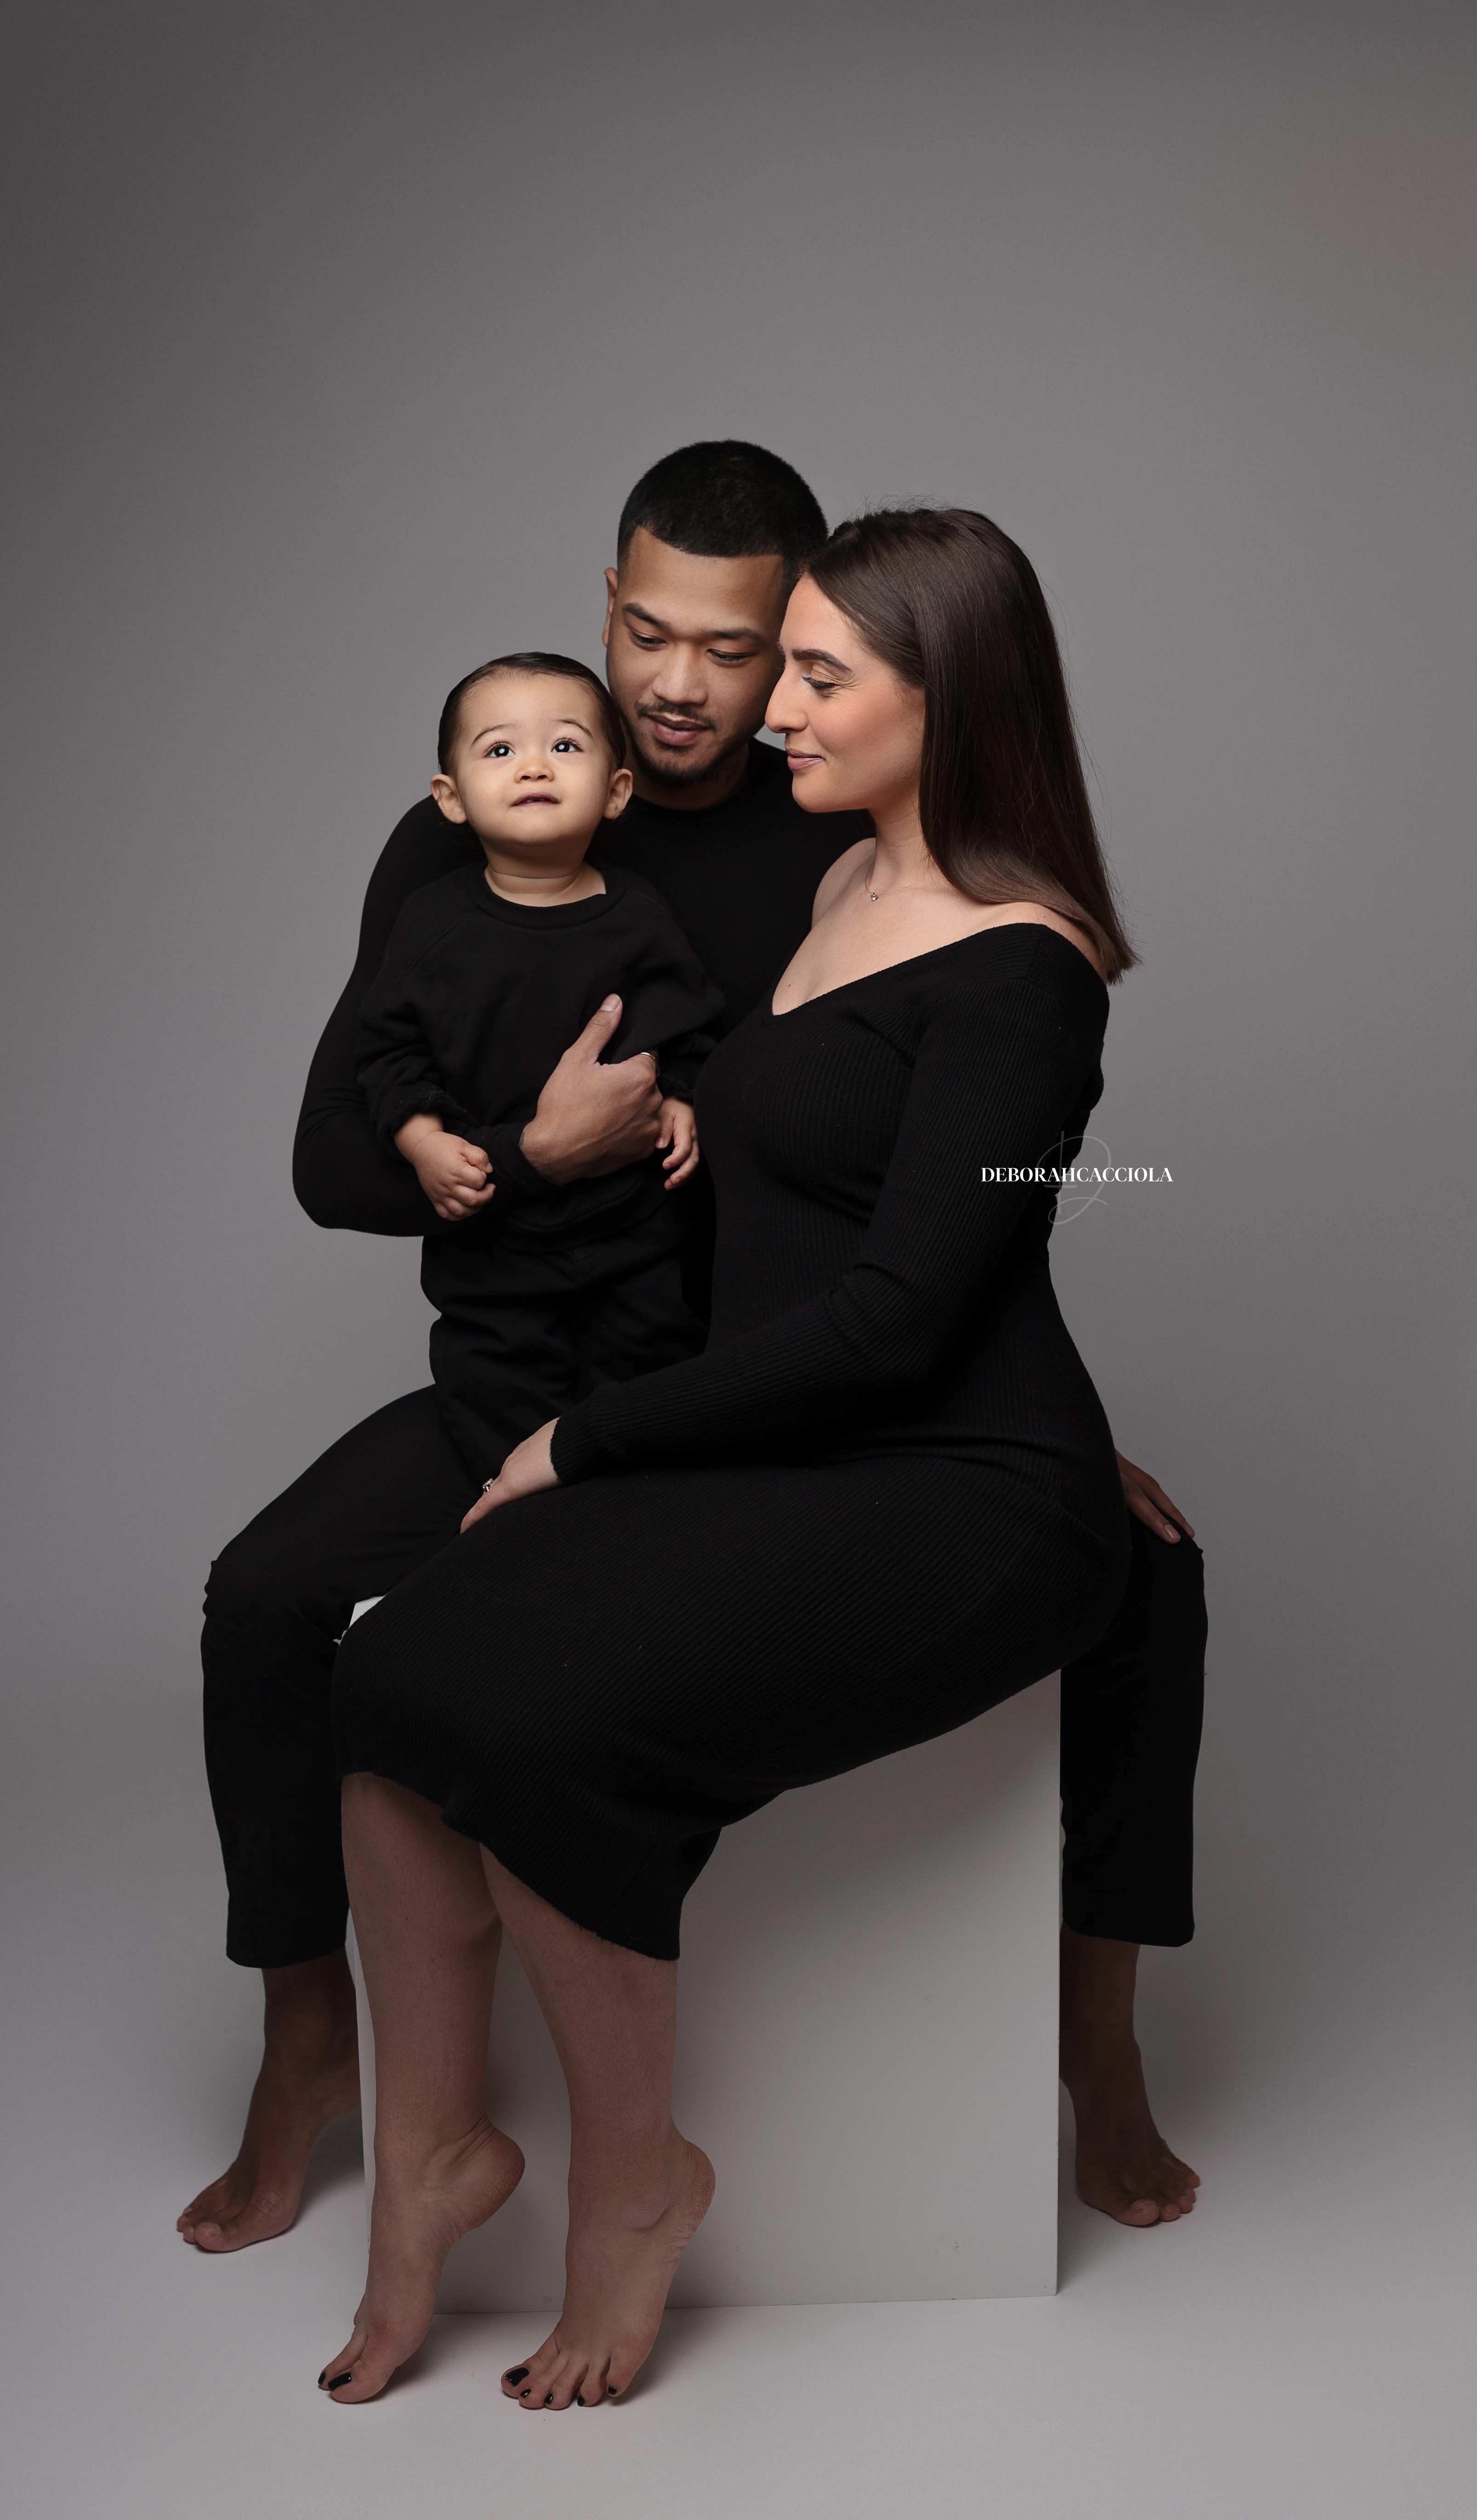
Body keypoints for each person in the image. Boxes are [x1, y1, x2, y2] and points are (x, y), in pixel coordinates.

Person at [184, 442, 1203, 2262]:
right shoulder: (485, 820)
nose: (676, 688)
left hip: (761, 1377)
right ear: (603, 608)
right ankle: (301, 2043)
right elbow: (336, 1160)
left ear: (806, 644)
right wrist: (537, 1162)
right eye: (644, 634)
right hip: (549, 1358)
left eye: (744, 652)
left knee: (1151, 1582)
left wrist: (1000, 1390)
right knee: (267, 1603)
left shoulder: (844, 823)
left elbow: (943, 1170)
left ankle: (1100, 2050)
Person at [355, 649, 720, 1481]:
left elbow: (691, 1021)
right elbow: (384, 1052)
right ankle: (523, 1548)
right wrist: (421, 1141)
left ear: (617, 789)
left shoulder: (637, 914)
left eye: (564, 747)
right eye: (498, 751)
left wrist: (682, 1100)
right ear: (450, 798)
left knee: (650, 1403)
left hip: (636, 1241)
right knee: (498, 1421)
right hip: (496, 1257)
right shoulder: (432, 923)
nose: (532, 767)